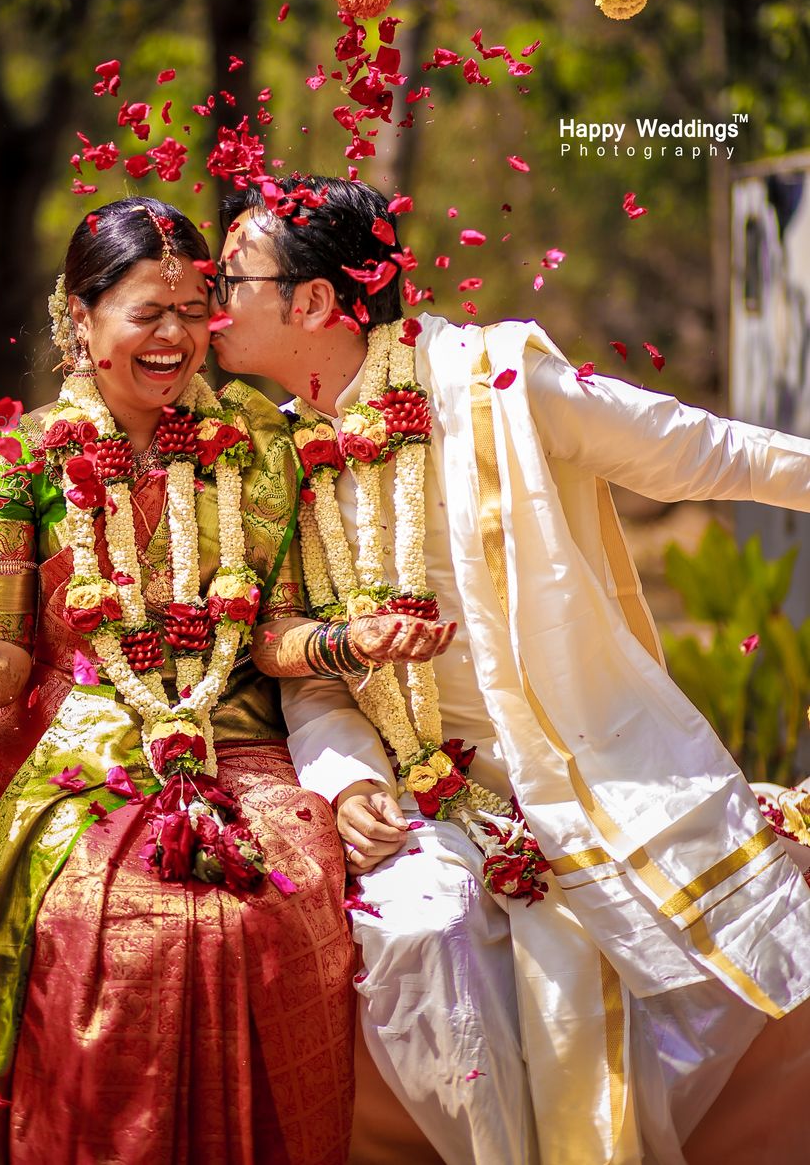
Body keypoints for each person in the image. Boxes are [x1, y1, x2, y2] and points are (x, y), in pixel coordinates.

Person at [0, 196, 451, 1165]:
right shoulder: (25, 460)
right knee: (120, 933)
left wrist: (346, 640)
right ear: (82, 318)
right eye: (148, 312)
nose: (178, 336)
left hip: (237, 751)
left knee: (282, 905)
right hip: (83, 756)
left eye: (197, 309)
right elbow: (3, 664)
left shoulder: (255, 441)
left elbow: (270, 635)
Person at [212, 171, 810, 1165]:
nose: (208, 292)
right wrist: (344, 773)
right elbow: (309, 667)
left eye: (231, 275)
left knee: (649, 978)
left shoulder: (487, 381)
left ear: (312, 302)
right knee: (419, 948)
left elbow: (690, 452)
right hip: (419, 793)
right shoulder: (274, 455)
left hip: (569, 764)